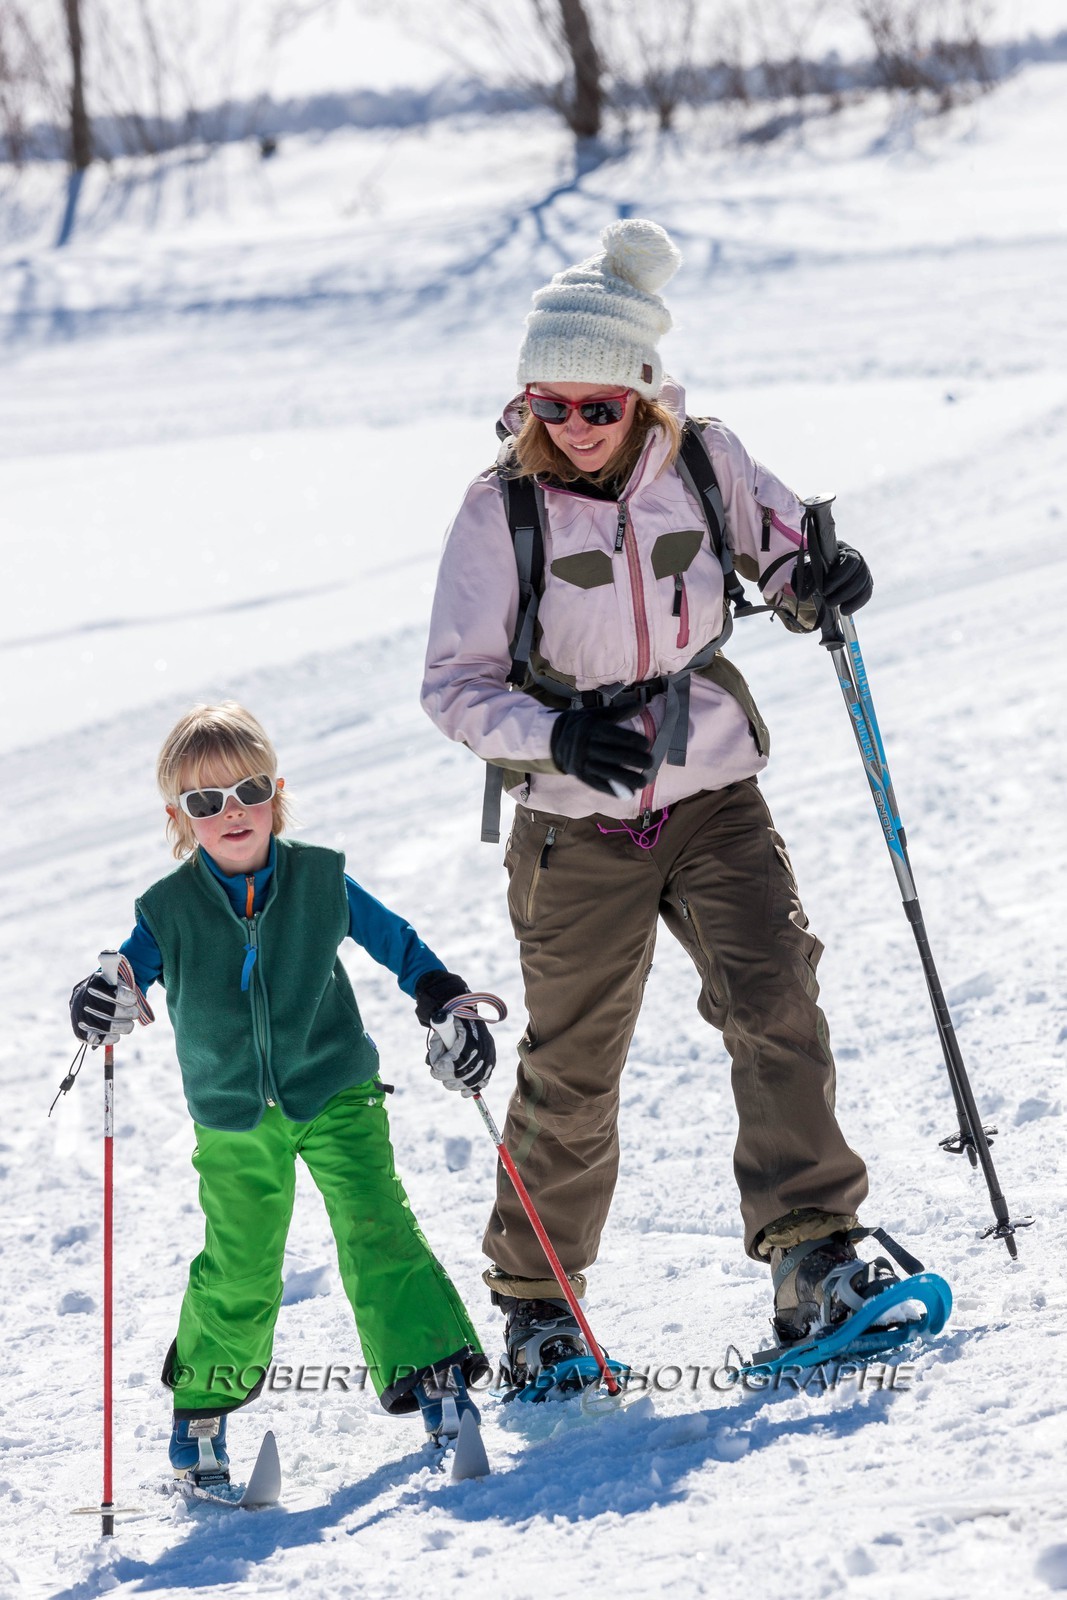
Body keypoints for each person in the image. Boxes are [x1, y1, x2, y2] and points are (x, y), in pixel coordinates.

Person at [421, 218, 912, 1386]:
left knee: (773, 993)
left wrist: (816, 578)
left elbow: (782, 547)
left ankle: (815, 1255)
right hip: (571, 819)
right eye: (550, 406)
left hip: (708, 785)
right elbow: (453, 686)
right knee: (576, 1060)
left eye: (597, 407)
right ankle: (539, 1306)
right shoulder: (501, 512)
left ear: (643, 394)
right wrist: (553, 733)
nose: (573, 429)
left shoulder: (704, 459)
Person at [69, 701, 495, 1481]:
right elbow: (123, 979)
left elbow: (397, 943)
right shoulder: (165, 911)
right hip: (233, 1119)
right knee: (238, 1263)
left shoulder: (319, 877)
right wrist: (100, 998)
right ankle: (200, 1412)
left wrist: (443, 996)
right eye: (205, 801)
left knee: (377, 1228)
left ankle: (434, 1378)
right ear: (180, 817)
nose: (230, 812)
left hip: (336, 1090)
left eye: (247, 790)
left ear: (277, 792)